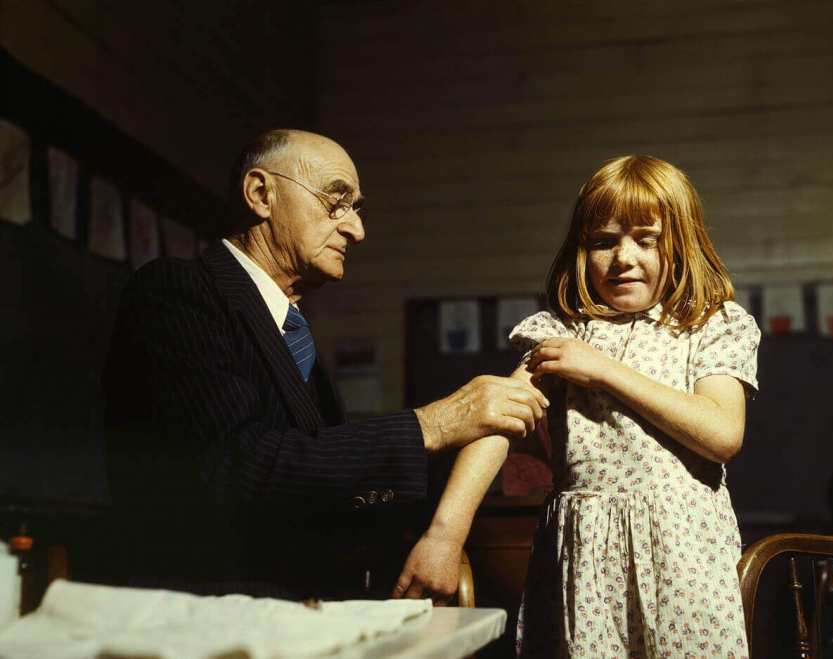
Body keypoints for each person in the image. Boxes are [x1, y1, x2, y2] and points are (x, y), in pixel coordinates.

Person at [101, 129, 548, 602]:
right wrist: (435, 424)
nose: (356, 230)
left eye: (357, 210)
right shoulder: (177, 292)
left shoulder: (292, 332)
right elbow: (234, 468)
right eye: (336, 203)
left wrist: (447, 520)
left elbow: (321, 483)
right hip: (210, 618)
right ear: (260, 194)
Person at [422, 155, 760, 656]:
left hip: (684, 556)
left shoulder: (711, 326)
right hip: (582, 557)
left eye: (646, 239)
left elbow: (722, 434)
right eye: (603, 241)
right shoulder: (562, 334)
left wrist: (603, 369)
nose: (623, 257)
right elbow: (497, 425)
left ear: (681, 245)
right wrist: (444, 536)